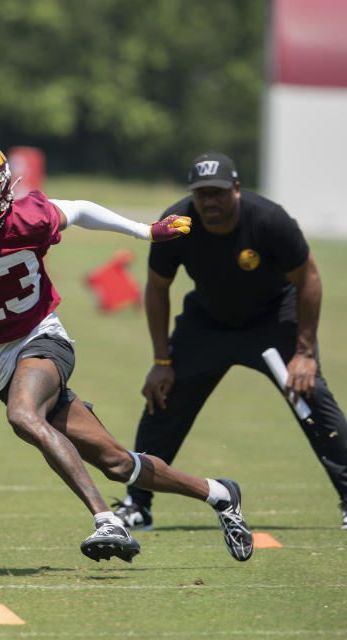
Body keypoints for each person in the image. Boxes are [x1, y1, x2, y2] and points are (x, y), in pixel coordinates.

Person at [0, 137, 254, 563]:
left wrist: (145, 231)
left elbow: (79, 209)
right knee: (118, 463)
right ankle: (220, 494)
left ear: (3, 187)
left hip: (43, 339)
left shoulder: (29, 217)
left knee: (23, 416)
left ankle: (107, 520)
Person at [113, 151, 347, 532]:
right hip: (208, 324)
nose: (210, 201)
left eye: (218, 192)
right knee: (162, 398)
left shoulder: (269, 220)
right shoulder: (178, 223)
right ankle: (137, 505)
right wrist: (161, 361)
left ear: (236, 190)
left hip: (273, 320)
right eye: (202, 193)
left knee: (311, 397)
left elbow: (309, 280)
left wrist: (304, 353)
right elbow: (157, 288)